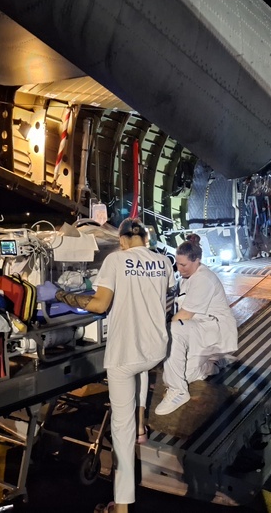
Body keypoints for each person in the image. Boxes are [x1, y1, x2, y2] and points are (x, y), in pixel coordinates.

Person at [55, 218, 174, 513]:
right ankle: (142, 423)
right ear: (145, 239)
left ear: (121, 240)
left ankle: (120, 507)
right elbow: (163, 294)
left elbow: (98, 305)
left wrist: (62, 296)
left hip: (126, 354)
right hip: (155, 348)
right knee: (142, 372)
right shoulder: (163, 262)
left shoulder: (116, 260)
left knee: (121, 433)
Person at [155, 234, 238, 415]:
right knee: (188, 375)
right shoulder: (185, 278)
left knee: (173, 330)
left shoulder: (203, 278)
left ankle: (177, 390)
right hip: (199, 330)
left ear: (197, 261)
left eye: (183, 264)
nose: (179, 268)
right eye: (177, 263)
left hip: (213, 330)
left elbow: (184, 315)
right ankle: (215, 363)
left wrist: (158, 332)